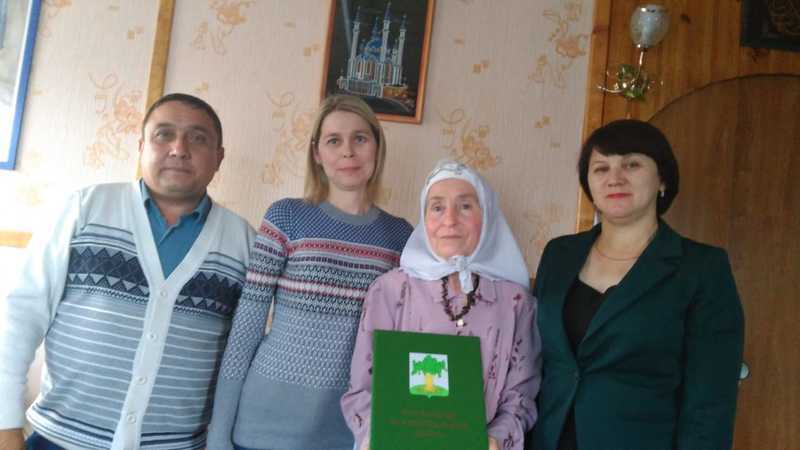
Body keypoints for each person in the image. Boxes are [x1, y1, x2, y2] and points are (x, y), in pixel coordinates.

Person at [0, 93, 256, 450]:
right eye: (164, 134)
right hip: (61, 440)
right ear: (141, 146)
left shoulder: (244, 243)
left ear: (219, 157)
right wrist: (5, 423)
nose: (179, 149)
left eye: (198, 138)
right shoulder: (84, 209)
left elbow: (242, 355)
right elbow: (21, 317)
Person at [207, 95, 413, 450]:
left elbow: (404, 338)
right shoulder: (286, 217)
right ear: (317, 153)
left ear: (377, 147)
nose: (348, 151)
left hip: (351, 431)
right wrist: (218, 432)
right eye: (334, 140)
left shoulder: (401, 236)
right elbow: (247, 326)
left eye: (360, 138)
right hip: (263, 425)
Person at [528, 119, 745, 450]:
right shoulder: (559, 254)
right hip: (549, 439)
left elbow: (711, 399)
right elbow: (534, 359)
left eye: (631, 164)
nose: (615, 177)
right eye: (601, 168)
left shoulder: (701, 267)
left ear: (662, 179)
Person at [341, 160, 542, 450]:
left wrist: (496, 440)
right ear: (424, 219)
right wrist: (374, 436)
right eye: (437, 207)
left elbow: (521, 397)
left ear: (487, 215)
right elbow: (362, 389)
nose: (450, 220)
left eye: (465, 206)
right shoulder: (389, 291)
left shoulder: (516, 303)